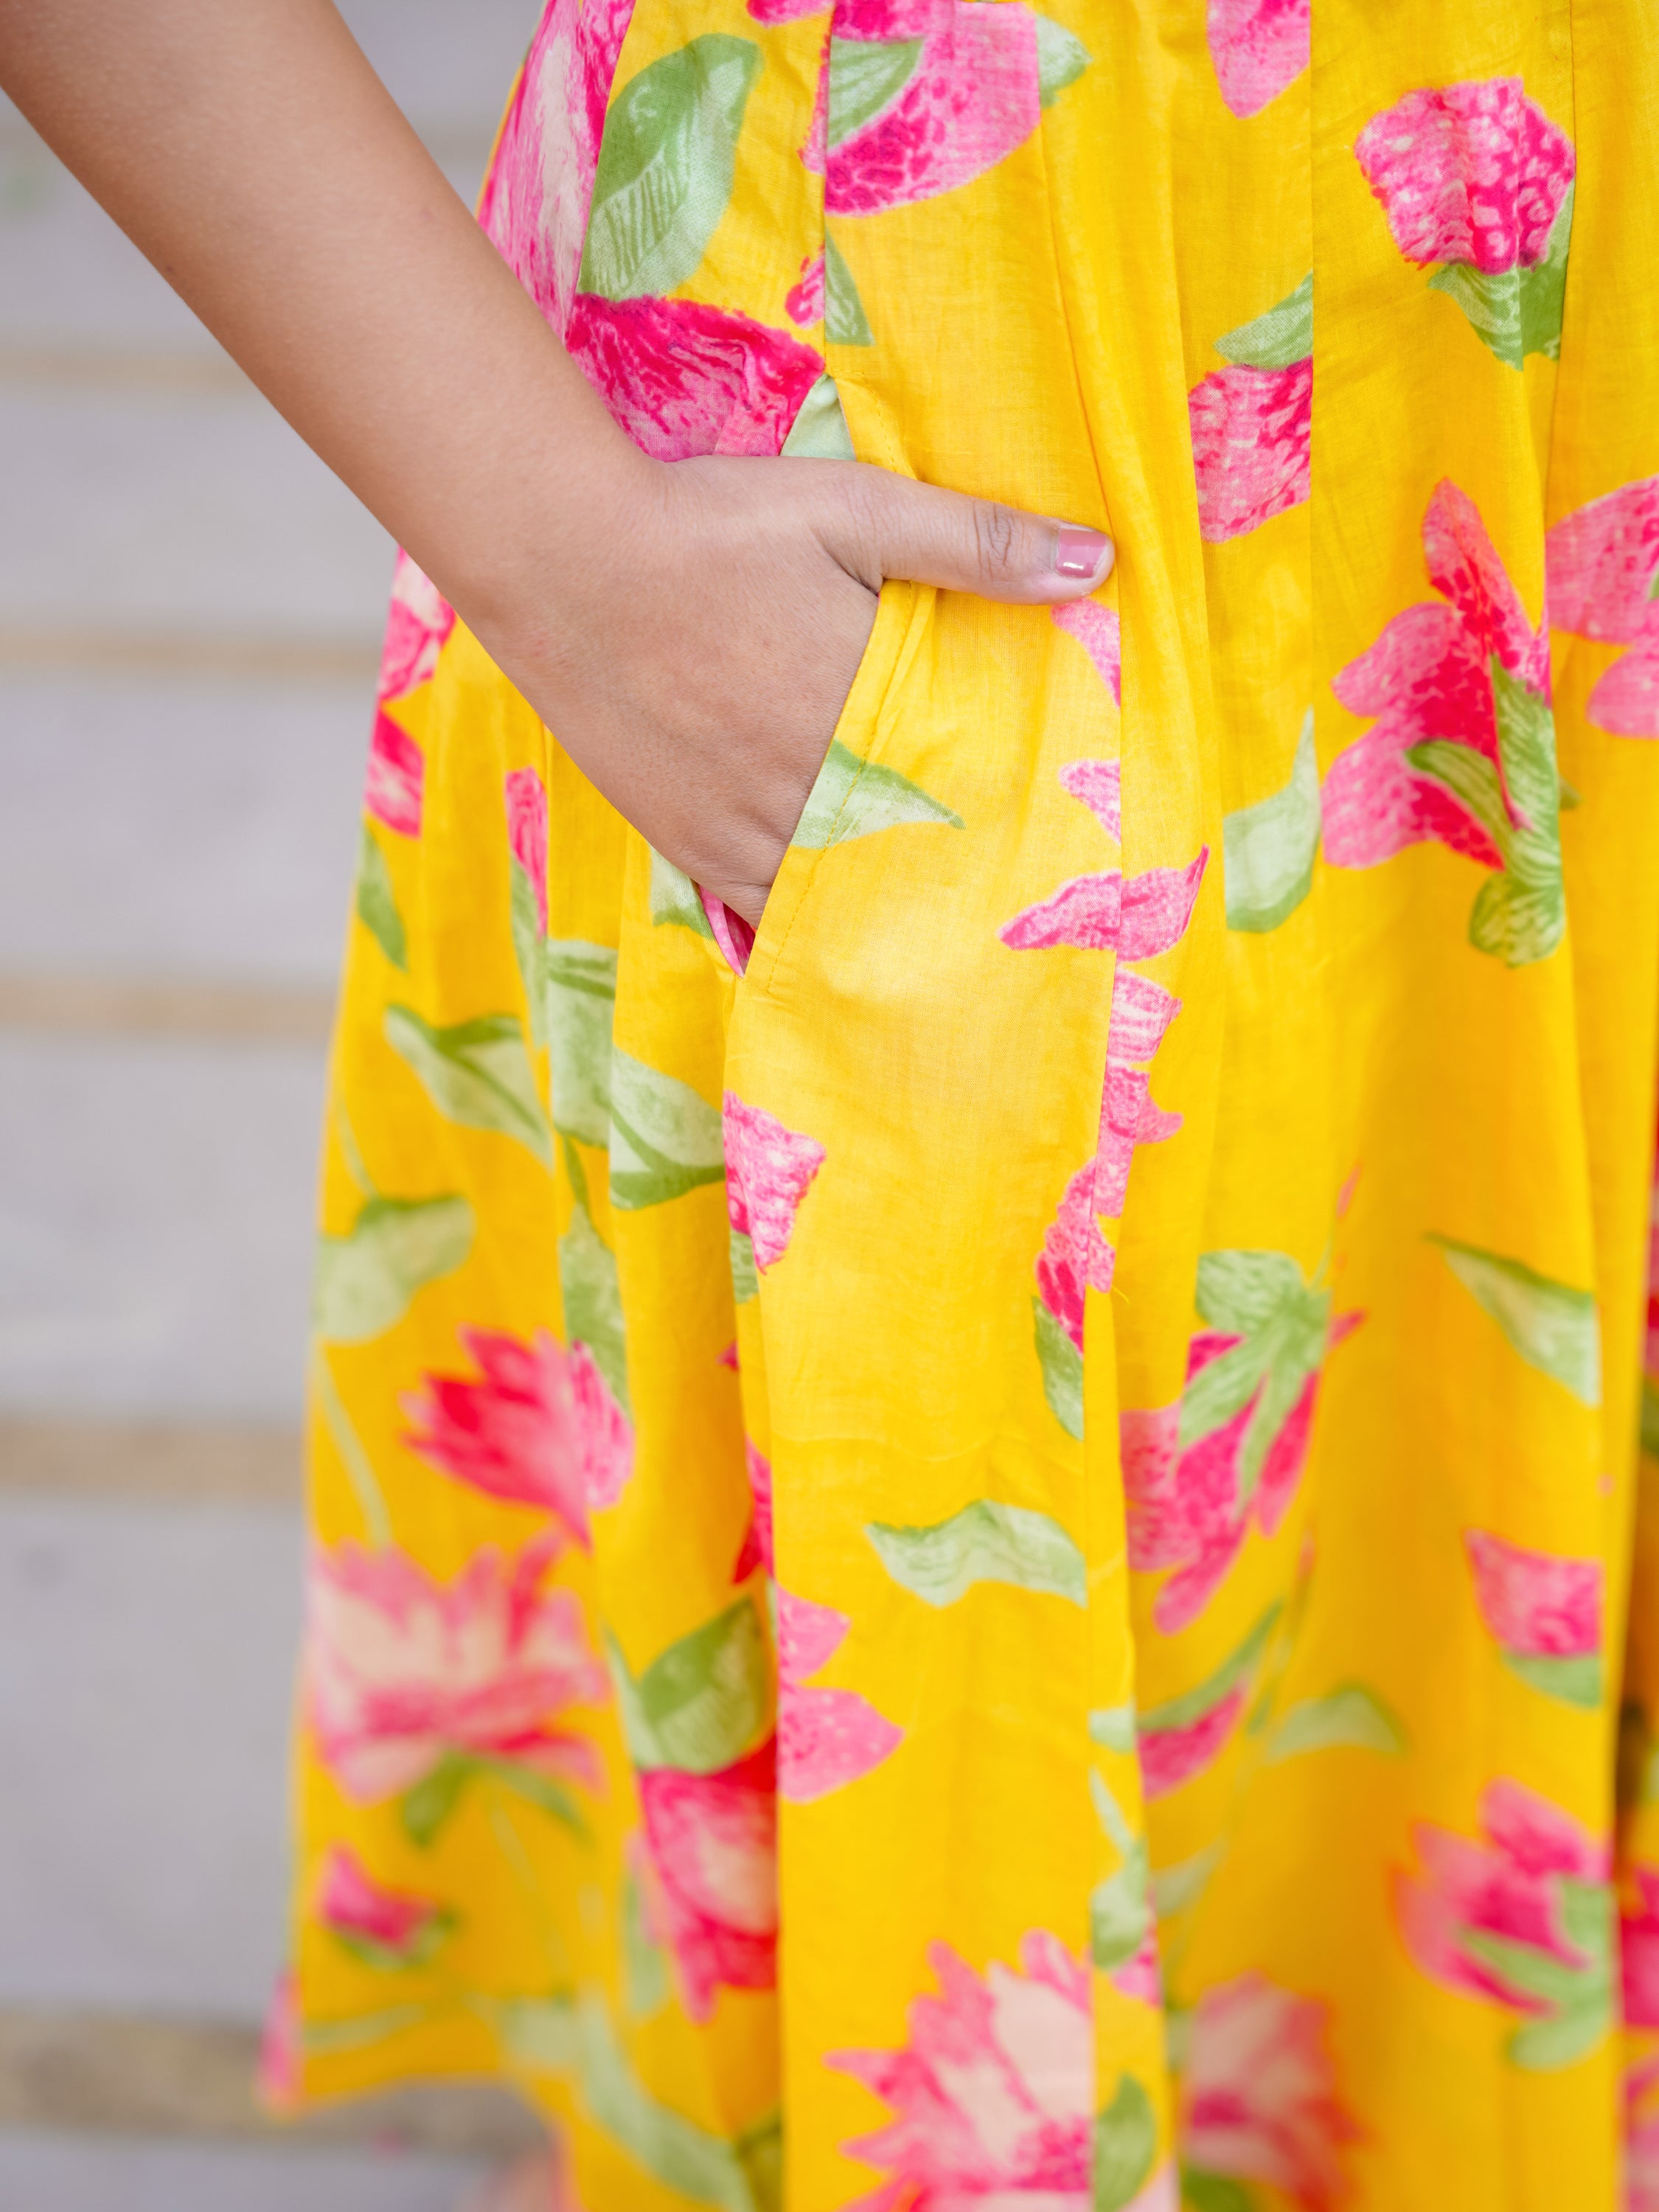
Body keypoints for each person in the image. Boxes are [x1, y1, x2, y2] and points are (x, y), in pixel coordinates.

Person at [4, 0, 1658, 2205]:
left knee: (1429, 1433)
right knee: (929, 1575)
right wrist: (566, 556)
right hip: (915, 430)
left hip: (1563, 387)